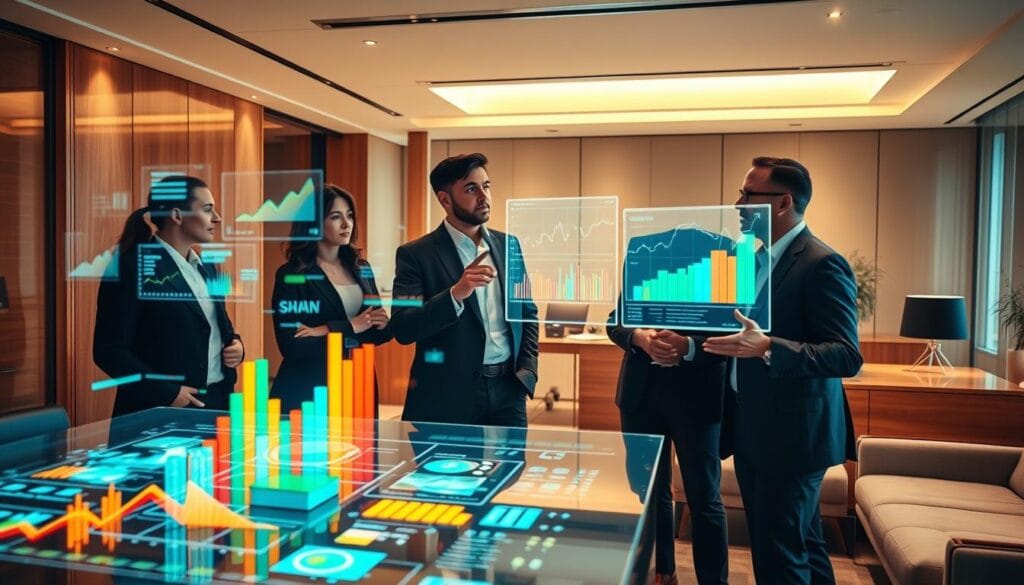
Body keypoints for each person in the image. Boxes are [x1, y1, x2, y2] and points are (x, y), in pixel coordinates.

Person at [700, 157, 862, 585]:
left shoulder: (822, 263)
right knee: (803, 546)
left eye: (748, 194)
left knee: (778, 556)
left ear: (783, 202)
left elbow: (846, 354)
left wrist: (771, 347)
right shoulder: (754, 260)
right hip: (755, 428)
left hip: (793, 440)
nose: (738, 203)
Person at [608, 227, 730, 585]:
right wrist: (639, 337)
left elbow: (732, 331)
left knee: (703, 496)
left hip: (698, 399)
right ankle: (663, 572)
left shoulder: (719, 258)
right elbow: (615, 321)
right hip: (640, 396)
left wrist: (688, 345)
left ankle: (713, 580)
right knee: (648, 492)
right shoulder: (643, 258)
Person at [390, 153, 538, 426]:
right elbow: (403, 328)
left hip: (509, 391)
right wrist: (455, 294)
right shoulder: (416, 254)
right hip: (447, 395)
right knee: (451, 470)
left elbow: (527, 313)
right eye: (471, 189)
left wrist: (527, 370)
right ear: (445, 200)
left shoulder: (509, 246)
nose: (484, 196)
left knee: (513, 467)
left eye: (487, 186)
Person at [95, 175, 244, 417]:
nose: (216, 218)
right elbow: (109, 351)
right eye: (207, 209)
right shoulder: (131, 267)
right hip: (161, 409)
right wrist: (166, 392)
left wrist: (236, 344)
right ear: (176, 216)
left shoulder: (208, 266)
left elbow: (217, 325)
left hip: (217, 403)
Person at [270, 184, 391, 414]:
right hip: (310, 389)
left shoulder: (361, 267)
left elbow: (378, 330)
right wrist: (351, 326)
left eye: (350, 216)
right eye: (336, 217)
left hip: (357, 384)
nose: (347, 224)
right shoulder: (292, 275)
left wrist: (325, 330)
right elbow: (292, 345)